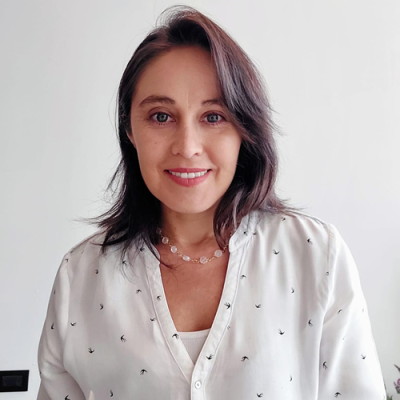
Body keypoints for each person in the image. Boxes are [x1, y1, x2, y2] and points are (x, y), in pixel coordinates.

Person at [37, 5, 386, 400]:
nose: (187, 147)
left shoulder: (316, 257)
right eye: (161, 117)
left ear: (244, 128)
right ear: (129, 128)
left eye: (214, 117)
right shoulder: (80, 277)